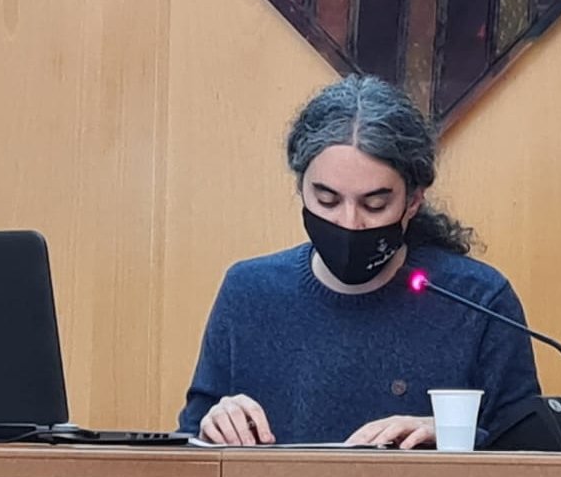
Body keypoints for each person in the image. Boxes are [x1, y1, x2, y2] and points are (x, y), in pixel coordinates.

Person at [181, 76, 541, 447]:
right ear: (301, 188)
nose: (349, 223)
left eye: (375, 205)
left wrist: (454, 438)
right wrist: (213, 426)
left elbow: (534, 455)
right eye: (327, 200)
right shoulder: (249, 292)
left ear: (413, 201)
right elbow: (187, 446)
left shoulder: (479, 301)